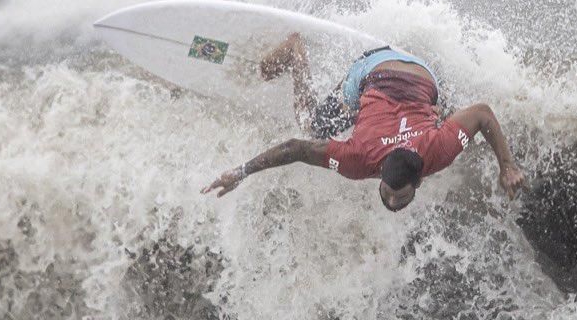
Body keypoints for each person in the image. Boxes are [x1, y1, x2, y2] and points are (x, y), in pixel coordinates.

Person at [201, 33, 527, 211]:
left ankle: (432, 112)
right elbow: (297, 147)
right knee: (311, 126)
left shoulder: (440, 149)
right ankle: (294, 52)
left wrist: (507, 165)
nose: (391, 201)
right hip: (375, 67)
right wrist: (241, 172)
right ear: (421, 178)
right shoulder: (356, 161)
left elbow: (483, 115)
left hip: (423, 73)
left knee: (439, 116)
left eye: (393, 198)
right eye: (394, 195)